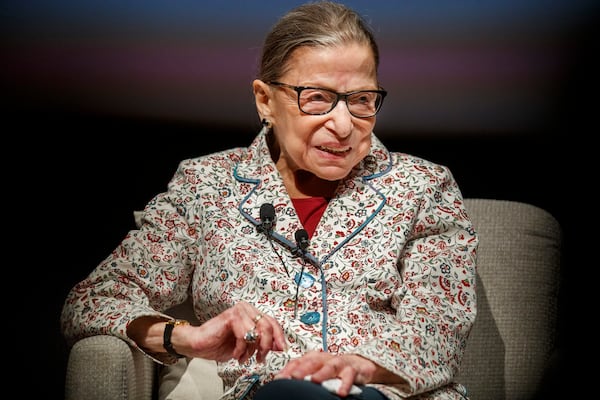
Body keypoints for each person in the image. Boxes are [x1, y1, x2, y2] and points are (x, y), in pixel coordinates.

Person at [60, 2, 478, 399]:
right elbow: (93, 300)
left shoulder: (424, 186)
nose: (345, 125)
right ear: (265, 100)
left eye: (362, 100)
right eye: (317, 97)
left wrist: (362, 366)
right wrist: (187, 336)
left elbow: (438, 326)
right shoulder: (206, 184)